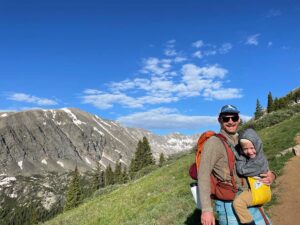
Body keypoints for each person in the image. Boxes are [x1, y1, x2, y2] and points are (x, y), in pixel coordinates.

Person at [198, 105, 275, 225]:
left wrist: (271, 175)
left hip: (252, 197)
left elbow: (259, 159)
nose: (230, 121)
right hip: (229, 206)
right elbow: (203, 175)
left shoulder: (244, 139)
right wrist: (207, 210)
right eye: (226, 118)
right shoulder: (213, 143)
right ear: (220, 120)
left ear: (238, 119)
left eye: (234, 118)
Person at [233, 128, 271, 225]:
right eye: (245, 149)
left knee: (238, 203)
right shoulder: (260, 155)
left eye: (252, 147)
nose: (249, 152)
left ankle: (249, 223)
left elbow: (241, 170)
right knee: (260, 213)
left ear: (257, 145)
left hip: (257, 190)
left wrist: (240, 157)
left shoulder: (258, 161)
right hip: (261, 189)